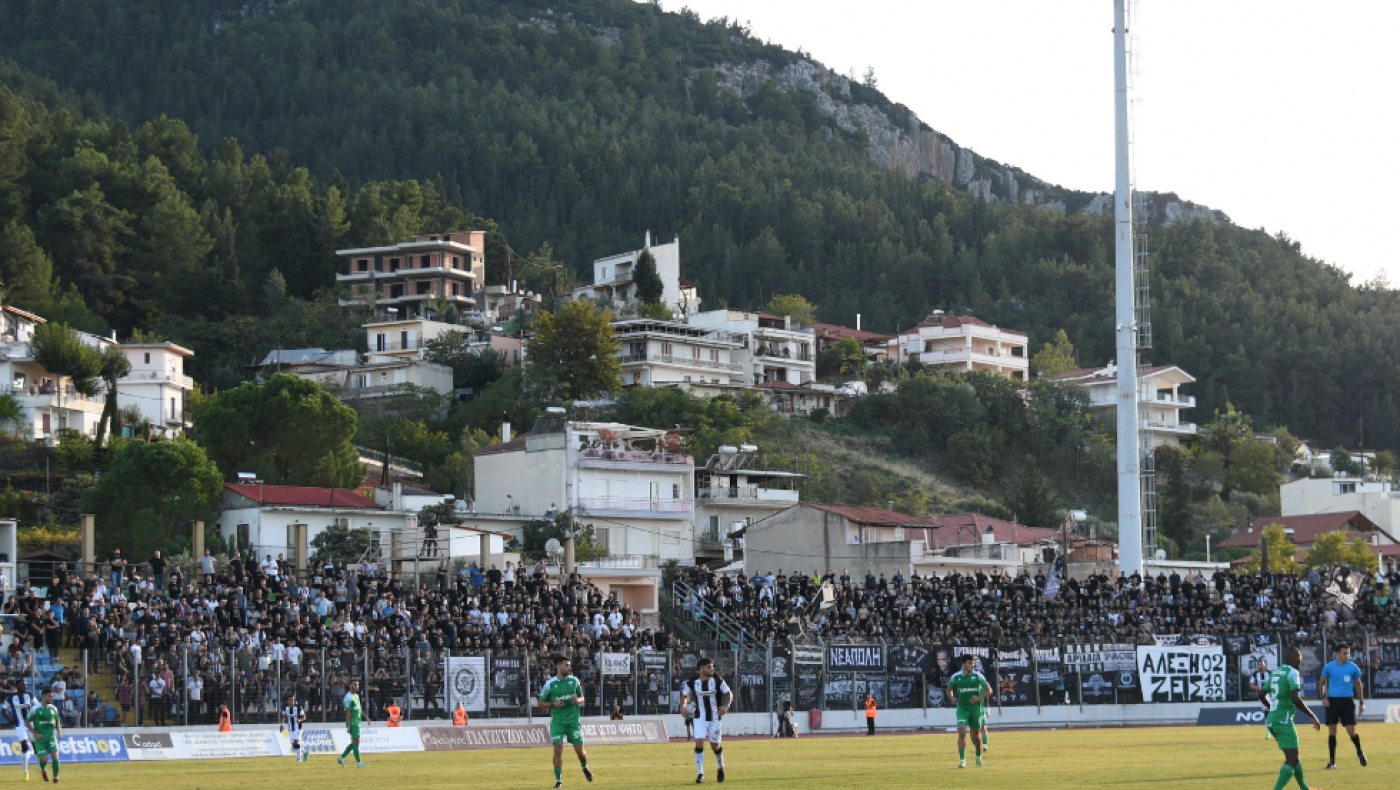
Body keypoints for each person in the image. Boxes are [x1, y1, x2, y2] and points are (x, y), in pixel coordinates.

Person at [1261, 647, 1322, 790]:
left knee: (1294, 757)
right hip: (1284, 720)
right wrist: (1312, 715)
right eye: (1300, 660)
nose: (1300, 663)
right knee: (1292, 759)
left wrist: (1273, 708)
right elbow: (1295, 698)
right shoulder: (1292, 673)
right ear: (1295, 660)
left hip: (1272, 719)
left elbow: (1261, 694)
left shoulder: (1276, 672)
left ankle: (1305, 788)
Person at [539, 656, 592, 788]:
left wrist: (578, 701)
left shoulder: (574, 681)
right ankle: (558, 780)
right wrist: (553, 704)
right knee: (558, 749)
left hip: (573, 721)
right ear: (558, 667)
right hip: (558, 722)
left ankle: (584, 767)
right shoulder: (550, 684)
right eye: (566, 665)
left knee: (580, 751)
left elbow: (582, 697)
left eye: (569, 665)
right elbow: (540, 703)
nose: (569, 667)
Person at [682, 656, 731, 784]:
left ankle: (720, 767)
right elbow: (684, 695)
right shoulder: (693, 681)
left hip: (715, 717)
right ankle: (700, 773)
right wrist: (682, 707)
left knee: (715, 746)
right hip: (699, 717)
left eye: (712, 666)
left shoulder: (717, 679)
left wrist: (726, 706)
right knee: (699, 742)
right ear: (702, 669)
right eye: (709, 667)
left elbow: (728, 693)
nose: (712, 669)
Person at [1319, 642, 1367, 769]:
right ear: (1338, 654)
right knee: (1332, 730)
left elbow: (1358, 684)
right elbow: (1321, 683)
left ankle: (1360, 752)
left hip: (1347, 702)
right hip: (1333, 702)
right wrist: (1323, 698)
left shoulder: (1353, 667)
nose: (1347, 656)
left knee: (1352, 732)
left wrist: (1361, 702)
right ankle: (1332, 762)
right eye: (1345, 653)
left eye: (1348, 653)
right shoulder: (1329, 667)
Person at [949, 654, 992, 768]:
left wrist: (979, 697)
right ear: (963, 665)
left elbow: (989, 690)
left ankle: (978, 757)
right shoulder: (955, 677)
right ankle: (962, 760)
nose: (972, 665)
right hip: (962, 708)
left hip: (975, 709)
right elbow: (949, 690)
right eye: (969, 663)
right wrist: (951, 697)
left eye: (973, 663)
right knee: (962, 732)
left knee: (976, 735)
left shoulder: (978, 676)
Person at [26, 689, 61, 784]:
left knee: (55, 755)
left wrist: (59, 731)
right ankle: (43, 769)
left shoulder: (53, 708)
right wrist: (35, 734)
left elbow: (57, 720)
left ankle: (55, 777)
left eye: (52, 696)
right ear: (43, 696)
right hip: (40, 738)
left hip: (51, 737)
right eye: (50, 696)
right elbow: (27, 722)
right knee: (44, 759)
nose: (52, 698)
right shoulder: (35, 709)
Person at [6, 679, 38, 779]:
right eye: (23, 685)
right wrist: (9, 719)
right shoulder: (11, 698)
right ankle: (25, 772)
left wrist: (33, 708)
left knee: (35, 747)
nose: (25, 686)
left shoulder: (30, 695)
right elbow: (3, 710)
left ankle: (41, 768)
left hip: (31, 725)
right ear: (17, 686)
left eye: (26, 684)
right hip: (20, 725)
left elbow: (38, 706)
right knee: (24, 745)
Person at [338, 679, 369, 768]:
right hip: (353, 722)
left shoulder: (356, 696)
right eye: (355, 684)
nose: (357, 686)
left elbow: (358, 709)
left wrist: (365, 716)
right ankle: (359, 763)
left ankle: (341, 758)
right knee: (356, 741)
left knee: (355, 742)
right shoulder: (348, 697)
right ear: (350, 685)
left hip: (357, 721)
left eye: (358, 685)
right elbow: (348, 713)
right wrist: (349, 725)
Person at [282, 694, 308, 762]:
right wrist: (282, 725)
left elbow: (304, 717)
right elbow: (283, 717)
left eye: (293, 700)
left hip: (298, 728)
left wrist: (300, 720)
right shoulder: (286, 708)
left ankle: (299, 758)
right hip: (291, 728)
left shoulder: (299, 708)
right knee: (293, 745)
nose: (292, 701)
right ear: (288, 701)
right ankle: (304, 752)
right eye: (290, 700)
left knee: (296, 742)